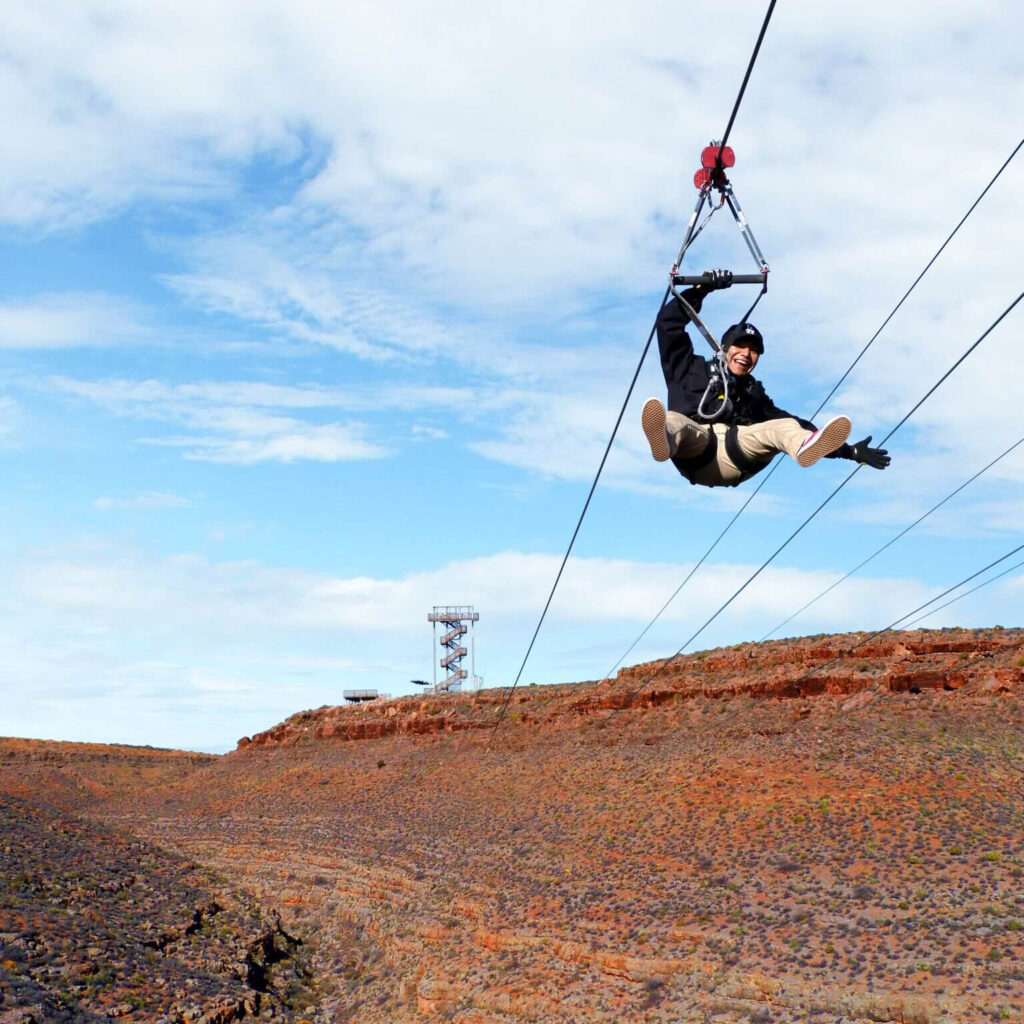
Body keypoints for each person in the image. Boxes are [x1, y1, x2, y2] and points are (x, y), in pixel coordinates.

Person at [642, 270, 891, 487]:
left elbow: (796, 421)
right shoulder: (689, 369)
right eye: (740, 346)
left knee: (784, 427)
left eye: (753, 351)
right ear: (724, 348)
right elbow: (668, 325)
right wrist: (701, 289)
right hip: (696, 451)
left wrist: (850, 451)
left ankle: (802, 447)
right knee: (673, 421)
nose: (746, 354)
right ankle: (664, 439)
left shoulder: (752, 395)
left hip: (735, 457)